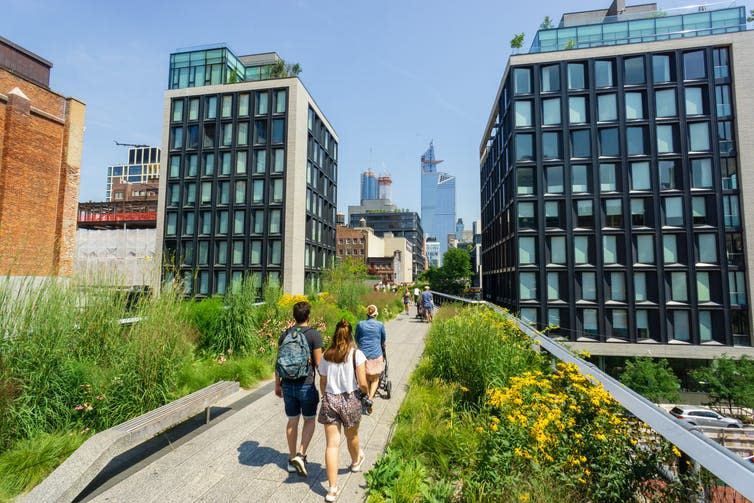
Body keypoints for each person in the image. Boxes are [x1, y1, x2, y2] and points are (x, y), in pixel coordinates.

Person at [318, 320, 369, 502]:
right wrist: (367, 395)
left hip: (330, 399)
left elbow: (322, 381)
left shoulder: (327, 355)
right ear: (350, 335)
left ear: (335, 334)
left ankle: (332, 489)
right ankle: (356, 461)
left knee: (332, 444)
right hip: (349, 399)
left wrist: (325, 395)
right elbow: (363, 383)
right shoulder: (357, 354)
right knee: (352, 437)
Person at [274, 301, 322, 477]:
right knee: (309, 419)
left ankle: (292, 458)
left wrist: (277, 384)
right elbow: (319, 364)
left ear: (294, 317)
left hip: (287, 385)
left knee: (292, 421)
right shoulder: (314, 335)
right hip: (306, 385)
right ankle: (301, 455)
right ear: (309, 316)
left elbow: (278, 361)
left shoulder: (285, 334)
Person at [355, 304, 386, 411]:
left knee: (366, 378)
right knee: (375, 378)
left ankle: (366, 396)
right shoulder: (380, 325)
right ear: (376, 314)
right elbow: (383, 339)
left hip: (363, 356)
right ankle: (370, 398)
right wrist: (381, 344)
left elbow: (357, 338)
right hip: (376, 354)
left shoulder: (360, 324)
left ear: (367, 313)